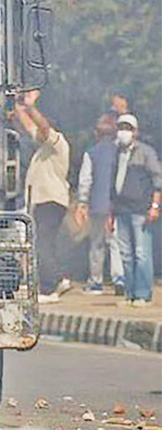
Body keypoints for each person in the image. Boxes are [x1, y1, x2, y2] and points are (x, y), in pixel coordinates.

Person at [13, 90, 72, 302]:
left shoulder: (58, 143)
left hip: (51, 200)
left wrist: (31, 106)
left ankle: (50, 287)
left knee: (43, 244)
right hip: (43, 201)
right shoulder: (44, 148)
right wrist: (18, 108)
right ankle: (58, 278)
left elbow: (43, 127)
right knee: (44, 242)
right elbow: (30, 128)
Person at [109, 114, 162, 307]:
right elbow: (113, 185)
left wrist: (154, 206)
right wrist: (111, 212)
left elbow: (158, 181)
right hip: (121, 210)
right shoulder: (117, 153)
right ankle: (130, 295)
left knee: (141, 253)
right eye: (121, 127)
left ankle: (143, 294)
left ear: (135, 131)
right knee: (126, 254)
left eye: (128, 128)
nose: (124, 131)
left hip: (140, 209)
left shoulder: (146, 152)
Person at [76, 114, 124, 294]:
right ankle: (120, 279)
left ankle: (96, 282)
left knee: (97, 244)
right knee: (116, 243)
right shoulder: (120, 153)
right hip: (117, 206)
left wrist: (82, 202)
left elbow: (85, 180)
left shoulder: (91, 153)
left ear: (97, 133)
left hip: (97, 204)